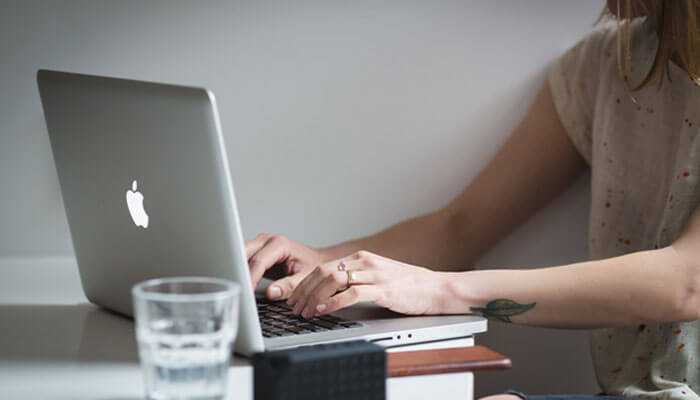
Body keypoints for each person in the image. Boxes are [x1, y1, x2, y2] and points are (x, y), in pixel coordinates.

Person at [245, 1, 700, 399]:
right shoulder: (603, 65)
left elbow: (688, 282)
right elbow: (460, 226)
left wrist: (441, 290)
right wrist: (325, 262)